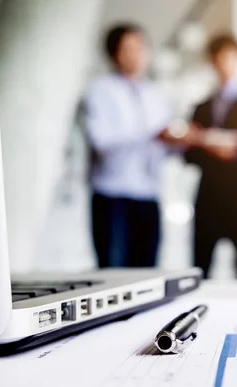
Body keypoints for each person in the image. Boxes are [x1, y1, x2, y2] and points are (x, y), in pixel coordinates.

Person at [83, 24, 194, 268]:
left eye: (141, 48)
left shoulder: (155, 93)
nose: (136, 54)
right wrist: (152, 134)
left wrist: (182, 140)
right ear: (114, 54)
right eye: (128, 49)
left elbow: (165, 144)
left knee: (147, 273)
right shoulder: (100, 90)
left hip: (148, 194)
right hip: (112, 195)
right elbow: (101, 142)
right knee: (113, 272)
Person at [185, 34, 237, 279]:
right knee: (201, 266)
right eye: (220, 58)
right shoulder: (200, 107)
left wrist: (234, 153)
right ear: (211, 61)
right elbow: (189, 154)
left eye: (231, 57)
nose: (225, 63)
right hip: (208, 196)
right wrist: (208, 146)